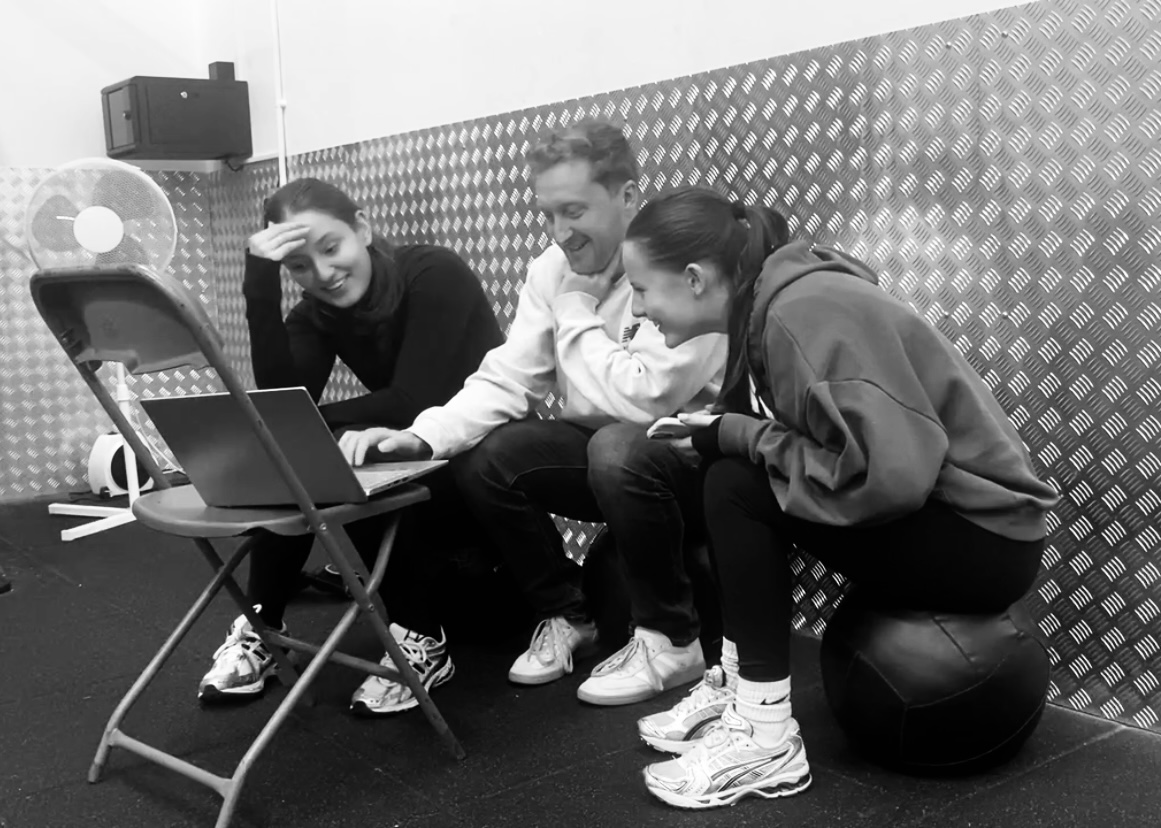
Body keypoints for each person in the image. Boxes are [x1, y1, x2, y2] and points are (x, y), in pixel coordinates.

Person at [617, 187, 1059, 808]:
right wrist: (724, 431)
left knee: (736, 483)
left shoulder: (803, 310)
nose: (636, 311)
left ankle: (766, 738)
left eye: (640, 289)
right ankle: (740, 689)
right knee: (727, 469)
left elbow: (889, 475)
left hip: (984, 538)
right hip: (957, 522)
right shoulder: (770, 310)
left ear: (693, 278)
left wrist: (737, 436)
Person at [342, 122, 729, 706]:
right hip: (605, 456)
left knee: (617, 445)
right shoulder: (551, 268)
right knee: (487, 456)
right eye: (548, 214)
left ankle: (673, 641)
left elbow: (644, 398)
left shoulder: (678, 261)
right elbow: (509, 375)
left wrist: (575, 307)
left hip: (689, 461)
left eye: (574, 210)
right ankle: (568, 613)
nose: (559, 232)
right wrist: (422, 437)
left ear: (627, 195)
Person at [199, 177, 504, 716]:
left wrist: (306, 427)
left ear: (362, 228)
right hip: (413, 454)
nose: (322, 274)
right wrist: (260, 287)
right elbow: (282, 403)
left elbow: (417, 399)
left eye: (331, 247)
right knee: (304, 449)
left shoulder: (434, 274)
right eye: (298, 266)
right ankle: (264, 626)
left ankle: (421, 637)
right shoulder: (317, 312)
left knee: (342, 447)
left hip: (484, 461)